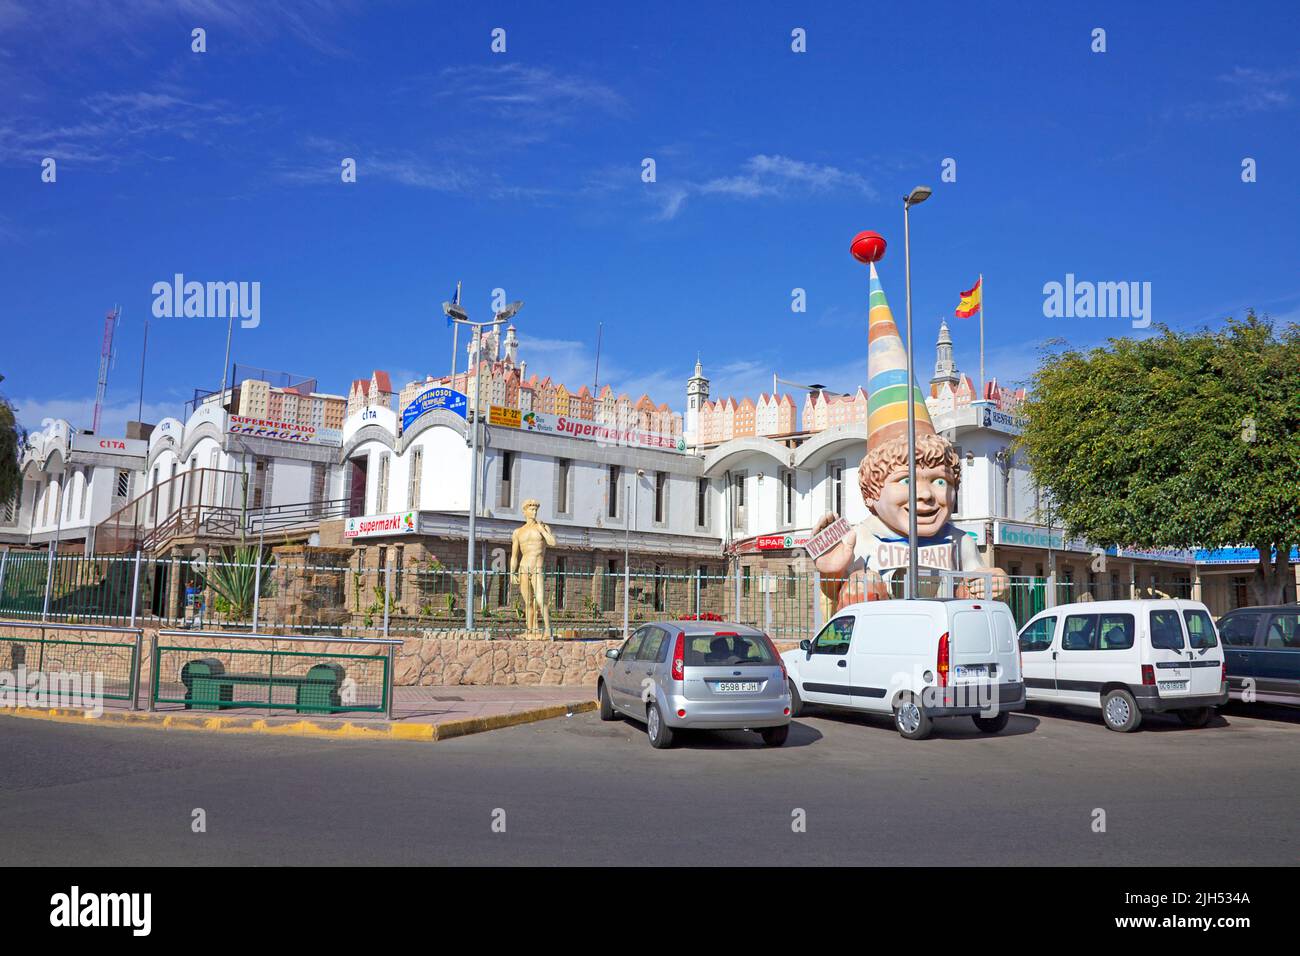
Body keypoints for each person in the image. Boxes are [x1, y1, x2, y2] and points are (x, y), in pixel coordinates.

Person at [510, 498, 556, 634]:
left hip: (537, 568)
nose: (534, 512)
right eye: (531, 509)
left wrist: (542, 530)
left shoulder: (542, 527)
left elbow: (552, 542)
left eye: (536, 509)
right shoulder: (518, 532)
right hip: (524, 568)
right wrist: (512, 572)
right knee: (528, 602)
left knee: (541, 600)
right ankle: (530, 630)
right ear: (525, 511)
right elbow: (514, 555)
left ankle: (548, 630)